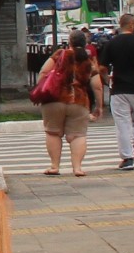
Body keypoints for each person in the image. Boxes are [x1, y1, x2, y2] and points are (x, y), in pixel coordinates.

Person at [36, 29, 104, 177]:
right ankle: (77, 168)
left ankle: (54, 166)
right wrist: (99, 106)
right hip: (79, 101)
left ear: (69, 42)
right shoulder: (88, 60)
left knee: (53, 133)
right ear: (85, 43)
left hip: (54, 99)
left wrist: (41, 89)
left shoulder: (60, 54)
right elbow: (97, 85)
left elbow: (43, 72)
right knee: (78, 135)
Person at [101, 13, 134, 171]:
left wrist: (107, 80)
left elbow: (102, 67)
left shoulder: (111, 43)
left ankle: (127, 158)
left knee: (123, 123)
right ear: (131, 24)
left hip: (119, 88)